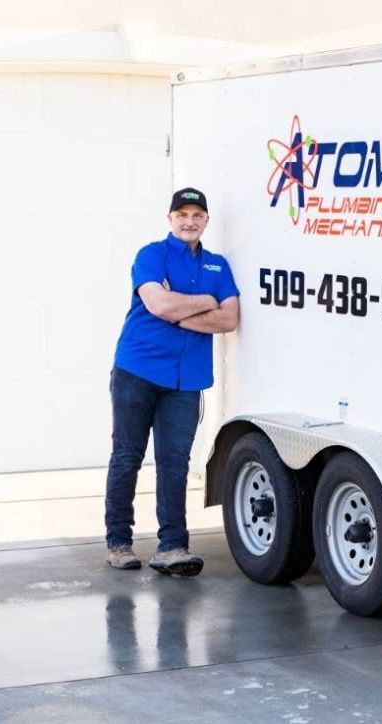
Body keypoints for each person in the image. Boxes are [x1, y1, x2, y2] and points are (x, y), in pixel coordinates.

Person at [104, 187, 240, 576]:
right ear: (170, 219)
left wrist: (178, 310)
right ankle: (119, 543)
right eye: (182, 214)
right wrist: (205, 302)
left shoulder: (218, 266)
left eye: (197, 215)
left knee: (175, 462)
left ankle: (172, 548)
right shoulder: (151, 255)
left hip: (186, 379)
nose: (189, 221)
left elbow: (229, 319)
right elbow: (157, 304)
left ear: (206, 221)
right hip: (138, 370)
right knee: (127, 456)